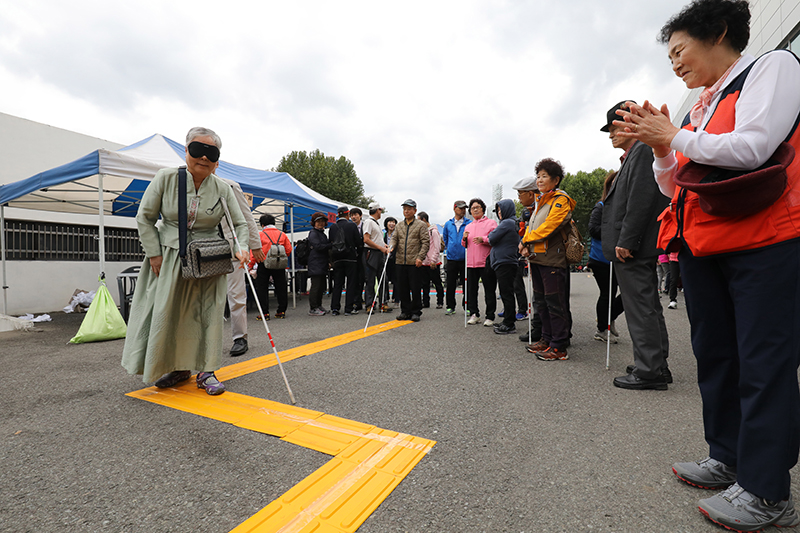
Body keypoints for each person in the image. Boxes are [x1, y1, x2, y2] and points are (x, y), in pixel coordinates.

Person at [613, 0, 800, 528]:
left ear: (717, 32)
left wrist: (675, 137)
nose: (674, 63)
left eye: (679, 50)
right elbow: (677, 185)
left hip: (765, 240)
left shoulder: (773, 67)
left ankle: (766, 491)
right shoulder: (699, 107)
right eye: (669, 56)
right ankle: (728, 455)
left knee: (764, 361)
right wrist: (663, 149)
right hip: (704, 244)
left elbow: (755, 146)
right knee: (715, 354)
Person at [121, 127, 249, 395]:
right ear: (187, 150)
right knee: (169, 312)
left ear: (217, 159)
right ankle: (177, 367)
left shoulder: (223, 188)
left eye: (211, 153)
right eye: (197, 150)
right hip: (168, 257)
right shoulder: (166, 178)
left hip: (208, 259)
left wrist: (243, 247)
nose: (203, 158)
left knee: (206, 314)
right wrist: (154, 253)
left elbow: (239, 223)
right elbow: (144, 217)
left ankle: (206, 370)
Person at [601, 101, 671, 389]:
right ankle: (655, 364)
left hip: (633, 246)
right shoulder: (637, 152)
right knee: (648, 306)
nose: (610, 135)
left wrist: (627, 239)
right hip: (636, 245)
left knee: (641, 308)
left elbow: (641, 198)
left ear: (630, 123)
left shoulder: (642, 150)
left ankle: (649, 371)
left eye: (613, 127)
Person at [520, 158, 575, 361]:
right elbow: (534, 228)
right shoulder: (541, 201)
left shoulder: (560, 200)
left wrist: (525, 239)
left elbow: (549, 226)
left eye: (544, 176)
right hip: (537, 258)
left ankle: (559, 345)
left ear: (556, 179)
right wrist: (526, 245)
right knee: (541, 302)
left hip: (552, 259)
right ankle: (547, 338)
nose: (540, 180)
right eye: (538, 176)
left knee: (555, 302)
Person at [220, 179, 263, 356]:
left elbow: (246, 216)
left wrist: (255, 245)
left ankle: (240, 337)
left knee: (236, 295)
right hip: (202, 251)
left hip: (232, 250)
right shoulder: (186, 184)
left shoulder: (229, 186)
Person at [587, 171, 624, 344]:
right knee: (607, 293)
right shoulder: (600, 206)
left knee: (626, 294)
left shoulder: (624, 207)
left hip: (620, 258)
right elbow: (593, 229)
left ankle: (608, 319)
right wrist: (616, 232)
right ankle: (602, 328)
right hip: (601, 259)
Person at [513, 177, 543, 344]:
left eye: (520, 194)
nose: (519, 198)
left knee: (549, 297)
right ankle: (538, 328)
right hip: (533, 256)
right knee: (538, 295)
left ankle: (553, 334)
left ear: (530, 193)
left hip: (546, 256)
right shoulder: (527, 211)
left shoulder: (544, 207)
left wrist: (525, 242)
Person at [389, 199, 429, 322]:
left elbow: (425, 243)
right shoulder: (399, 225)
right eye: (405, 209)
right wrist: (391, 247)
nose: (406, 211)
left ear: (415, 211)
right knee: (402, 288)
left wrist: (420, 257)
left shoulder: (421, 225)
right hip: (400, 261)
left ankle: (416, 311)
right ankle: (405, 311)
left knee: (415, 288)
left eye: (409, 209)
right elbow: (394, 239)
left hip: (414, 262)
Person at [462, 198, 497, 327]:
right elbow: (464, 244)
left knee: (489, 290)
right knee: (471, 290)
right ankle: (474, 314)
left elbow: (495, 239)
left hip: (486, 261)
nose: (475, 209)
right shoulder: (468, 226)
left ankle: (490, 316)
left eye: (477, 207)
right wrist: (464, 238)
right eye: (472, 208)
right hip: (471, 263)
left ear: (483, 209)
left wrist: (483, 239)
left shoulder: (491, 223)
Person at [487, 199, 519, 335]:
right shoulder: (511, 223)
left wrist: (491, 235)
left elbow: (491, 237)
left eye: (500, 210)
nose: (499, 213)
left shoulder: (507, 223)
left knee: (506, 293)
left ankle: (509, 323)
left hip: (505, 262)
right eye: (498, 211)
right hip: (506, 261)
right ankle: (508, 319)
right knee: (507, 292)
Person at [251, 214, 292, 320]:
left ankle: (264, 313)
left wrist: (250, 266)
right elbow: (288, 250)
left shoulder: (260, 235)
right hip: (279, 264)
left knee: (262, 288)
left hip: (263, 263)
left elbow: (254, 252)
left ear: (262, 224)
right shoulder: (282, 234)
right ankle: (281, 311)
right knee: (281, 287)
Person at [328, 206, 361, 316]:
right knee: (350, 283)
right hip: (350, 257)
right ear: (348, 215)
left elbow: (331, 242)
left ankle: (335, 308)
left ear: (338, 215)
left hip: (337, 258)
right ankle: (348, 308)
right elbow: (358, 242)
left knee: (338, 284)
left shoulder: (333, 227)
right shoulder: (352, 225)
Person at [441, 201, 471, 315]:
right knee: (450, 283)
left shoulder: (469, 223)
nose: (463, 210)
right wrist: (451, 249)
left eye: (464, 208)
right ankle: (450, 306)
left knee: (466, 284)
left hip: (465, 258)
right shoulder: (448, 224)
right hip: (452, 258)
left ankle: (467, 306)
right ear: (454, 209)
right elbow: (445, 239)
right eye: (461, 208)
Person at [362, 202, 391, 312]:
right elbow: (366, 239)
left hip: (379, 253)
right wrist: (380, 247)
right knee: (370, 280)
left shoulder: (376, 223)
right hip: (371, 253)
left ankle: (383, 302)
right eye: (380, 210)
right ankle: (369, 305)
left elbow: (375, 239)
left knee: (383, 278)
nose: (381, 212)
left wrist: (384, 245)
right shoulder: (369, 222)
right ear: (377, 210)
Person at [417, 211, 444, 309]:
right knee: (424, 284)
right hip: (424, 262)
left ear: (424, 220)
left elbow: (437, 246)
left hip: (433, 262)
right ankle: (425, 302)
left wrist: (433, 259)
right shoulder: (423, 231)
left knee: (437, 282)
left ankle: (440, 301)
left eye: (418, 220)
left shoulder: (434, 231)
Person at [307, 212, 331, 316]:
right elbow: (318, 246)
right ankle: (313, 308)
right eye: (318, 221)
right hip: (315, 263)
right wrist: (331, 245)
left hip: (322, 263)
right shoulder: (313, 233)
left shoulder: (321, 233)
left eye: (322, 221)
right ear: (314, 223)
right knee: (316, 286)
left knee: (321, 286)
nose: (320, 223)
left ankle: (319, 305)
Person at [349, 207, 366, 311]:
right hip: (353, 256)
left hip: (364, 255)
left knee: (364, 278)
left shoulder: (365, 226)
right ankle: (357, 300)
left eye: (355, 215)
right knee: (355, 279)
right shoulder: (350, 227)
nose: (354, 217)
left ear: (360, 216)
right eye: (352, 215)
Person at [383, 217, 398, 307]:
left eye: (393, 222)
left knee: (396, 279)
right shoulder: (383, 234)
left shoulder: (397, 234)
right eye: (390, 222)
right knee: (385, 279)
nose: (391, 224)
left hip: (395, 259)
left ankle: (396, 299)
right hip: (385, 259)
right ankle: (386, 297)